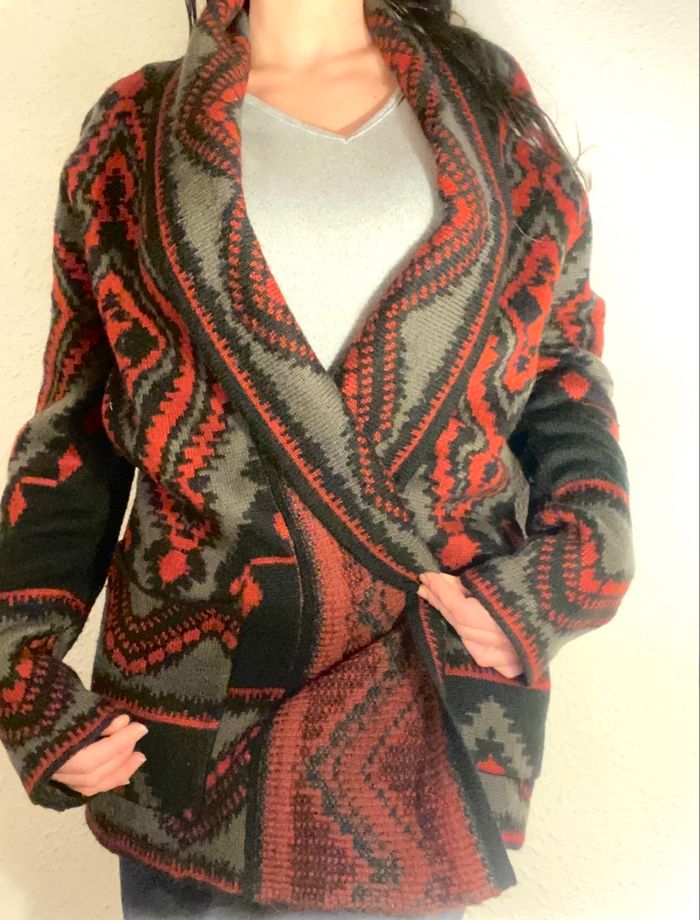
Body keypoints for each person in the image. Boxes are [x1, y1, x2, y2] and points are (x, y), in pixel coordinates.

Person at [0, 1, 636, 918]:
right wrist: (19, 671)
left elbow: (560, 369)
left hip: (422, 695)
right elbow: (76, 428)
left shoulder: (491, 107)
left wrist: (580, 565)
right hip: (191, 727)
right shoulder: (134, 128)